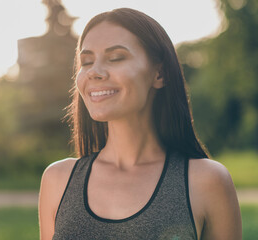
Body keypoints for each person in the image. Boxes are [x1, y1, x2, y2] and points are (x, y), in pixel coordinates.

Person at [38, 8, 242, 240]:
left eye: (115, 58)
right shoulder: (58, 180)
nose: (95, 72)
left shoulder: (207, 181)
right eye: (86, 62)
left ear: (159, 74)